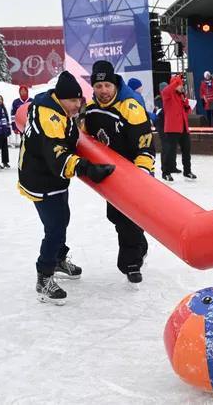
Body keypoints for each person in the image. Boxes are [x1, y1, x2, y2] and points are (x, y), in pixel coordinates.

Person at [18, 71, 115, 305]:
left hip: (55, 179)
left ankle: (58, 258)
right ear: (60, 98)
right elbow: (57, 155)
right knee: (55, 228)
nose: (76, 105)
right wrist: (86, 167)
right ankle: (44, 277)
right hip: (40, 180)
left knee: (63, 219)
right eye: (72, 100)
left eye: (78, 100)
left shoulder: (59, 109)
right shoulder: (49, 117)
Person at [83, 60, 156, 289]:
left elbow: (145, 146)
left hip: (135, 173)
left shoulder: (130, 107)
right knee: (116, 217)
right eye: (98, 86)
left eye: (107, 85)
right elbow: (86, 139)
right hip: (110, 175)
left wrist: (141, 174)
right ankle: (140, 248)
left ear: (114, 84)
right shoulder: (91, 109)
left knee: (128, 220)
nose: (103, 90)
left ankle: (131, 264)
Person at [162, 74, 196, 183]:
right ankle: (166, 172)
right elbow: (166, 90)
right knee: (170, 151)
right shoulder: (168, 95)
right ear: (174, 85)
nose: (182, 86)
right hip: (172, 128)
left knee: (186, 151)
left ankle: (187, 171)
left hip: (183, 127)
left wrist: (187, 106)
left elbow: (187, 112)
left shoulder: (181, 96)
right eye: (180, 84)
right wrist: (177, 80)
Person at [153, 82, 180, 174]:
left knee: (173, 146)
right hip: (162, 126)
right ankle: (165, 167)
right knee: (165, 146)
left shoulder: (171, 98)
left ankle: (172, 166)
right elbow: (161, 112)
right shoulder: (159, 100)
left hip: (171, 125)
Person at [0, 94, 11, 168]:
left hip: (4, 130)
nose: (0, 100)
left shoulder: (3, 109)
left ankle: (5, 161)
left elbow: (6, 119)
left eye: (1, 99)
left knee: (5, 147)